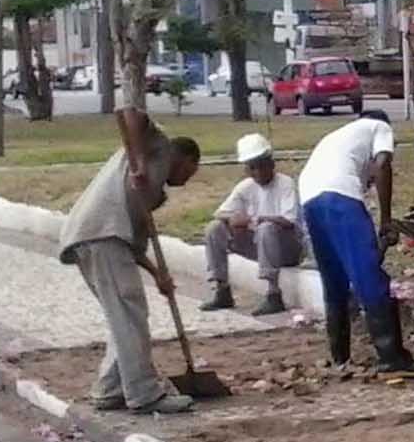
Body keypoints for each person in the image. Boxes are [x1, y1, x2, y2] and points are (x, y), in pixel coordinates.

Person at [58, 107, 204, 414]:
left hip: (98, 237)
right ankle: (144, 393)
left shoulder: (153, 193)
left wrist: (157, 275)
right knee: (130, 315)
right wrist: (138, 162)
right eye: (190, 172)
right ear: (185, 159)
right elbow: (129, 114)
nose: (186, 181)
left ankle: (109, 389)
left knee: (123, 317)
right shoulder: (159, 146)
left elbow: (135, 246)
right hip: (100, 234)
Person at [297, 110, 414, 379]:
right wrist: (386, 220)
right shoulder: (379, 127)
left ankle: (340, 356)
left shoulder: (339, 137)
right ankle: (391, 357)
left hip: (309, 196)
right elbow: (383, 165)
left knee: (334, 278)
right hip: (339, 195)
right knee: (369, 277)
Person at [201, 132, 303, 316]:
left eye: (261, 166)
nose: (258, 172)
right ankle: (222, 289)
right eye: (252, 168)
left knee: (266, 228)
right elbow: (220, 212)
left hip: (285, 248)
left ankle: (273, 294)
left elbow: (289, 221)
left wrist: (252, 220)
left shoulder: (285, 184)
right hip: (259, 245)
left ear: (271, 164)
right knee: (214, 228)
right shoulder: (245, 186)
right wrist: (232, 219)